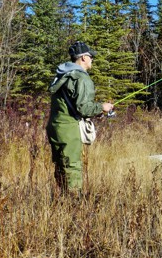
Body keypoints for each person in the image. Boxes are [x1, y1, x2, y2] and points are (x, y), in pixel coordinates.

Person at [46, 41, 114, 193]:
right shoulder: (82, 78)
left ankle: (62, 201)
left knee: (61, 166)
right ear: (83, 58)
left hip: (55, 126)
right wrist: (102, 107)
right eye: (90, 57)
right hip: (69, 129)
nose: (92, 60)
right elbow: (83, 108)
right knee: (72, 166)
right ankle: (73, 205)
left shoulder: (63, 75)